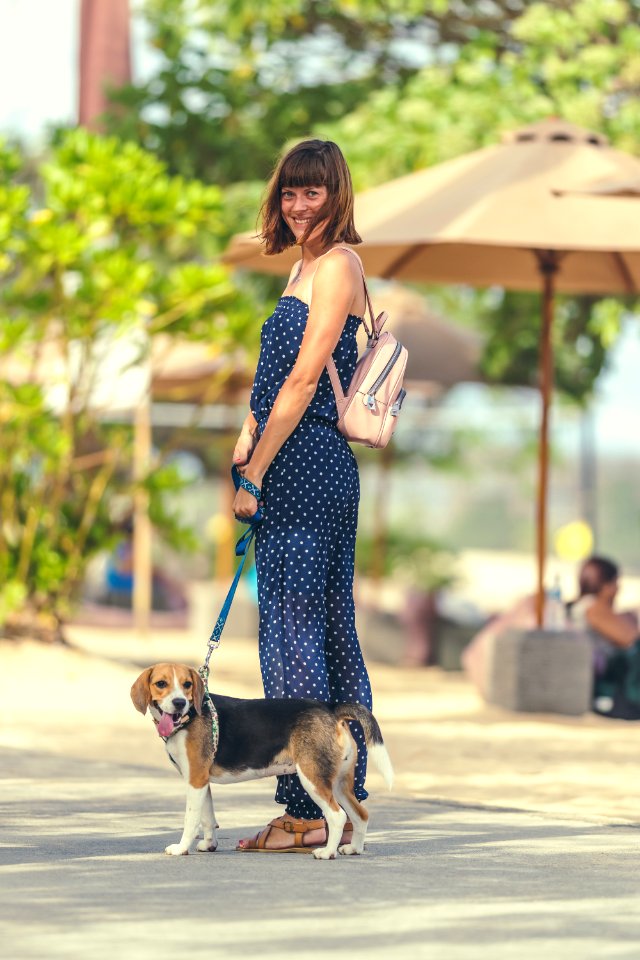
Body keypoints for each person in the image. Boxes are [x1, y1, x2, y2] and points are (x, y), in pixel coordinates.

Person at [231, 139, 372, 851]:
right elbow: (268, 382)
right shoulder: (302, 266)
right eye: (290, 191)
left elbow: (304, 379)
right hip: (290, 456)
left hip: (307, 462)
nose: (299, 203)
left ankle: (309, 806)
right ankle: (337, 799)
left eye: (313, 191)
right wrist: (244, 439)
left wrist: (255, 470)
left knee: (294, 635)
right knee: (318, 630)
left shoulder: (340, 265)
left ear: (337, 193)